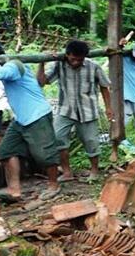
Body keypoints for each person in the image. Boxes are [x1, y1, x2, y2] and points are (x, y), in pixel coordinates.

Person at [0, 41, 61, 201]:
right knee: (6, 151)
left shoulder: (14, 65)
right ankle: (13, 189)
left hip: (37, 115)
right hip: (21, 119)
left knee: (45, 155)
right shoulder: (7, 67)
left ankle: (53, 185)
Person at [37, 40, 112, 181]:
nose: (76, 62)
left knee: (91, 142)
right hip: (66, 110)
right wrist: (42, 62)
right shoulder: (59, 65)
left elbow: (104, 86)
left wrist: (108, 107)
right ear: (67, 55)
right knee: (58, 139)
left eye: (80, 59)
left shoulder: (93, 66)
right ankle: (67, 172)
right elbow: (41, 82)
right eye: (73, 59)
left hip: (87, 110)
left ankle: (94, 171)